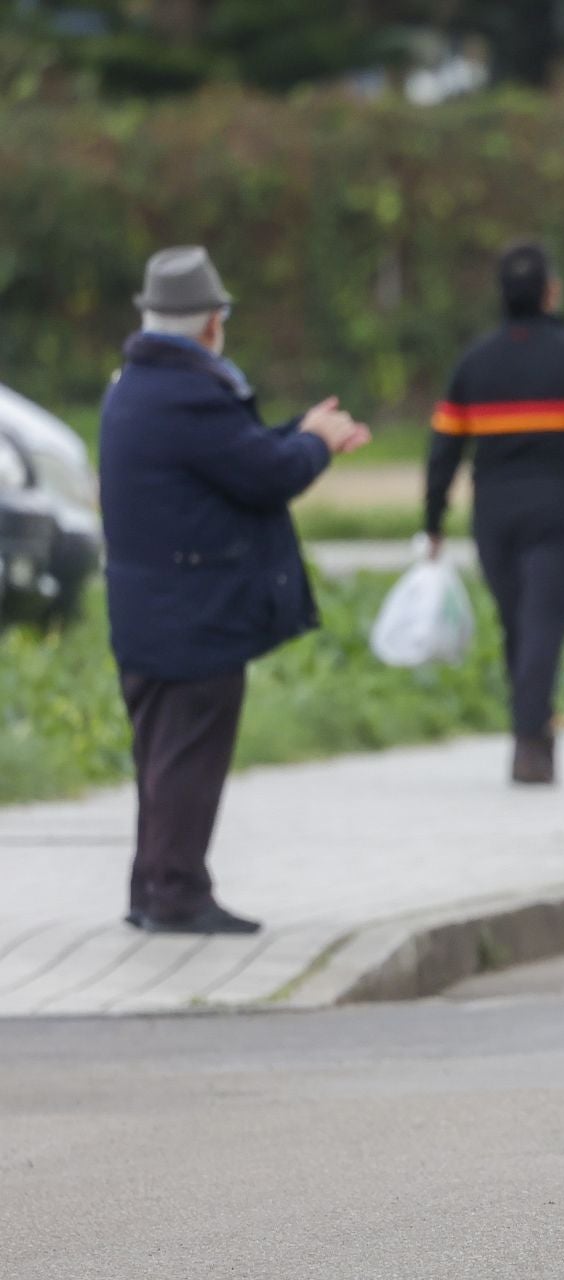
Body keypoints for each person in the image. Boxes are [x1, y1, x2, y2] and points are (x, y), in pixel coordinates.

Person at [99, 245, 370, 934]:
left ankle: (152, 886)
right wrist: (317, 445)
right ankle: (177, 894)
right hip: (197, 615)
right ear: (213, 322)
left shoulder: (134, 386)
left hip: (146, 612)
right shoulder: (191, 394)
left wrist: (301, 434)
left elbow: (237, 459)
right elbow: (266, 475)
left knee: (160, 761)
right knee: (188, 763)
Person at [425, 241, 564, 786]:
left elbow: (443, 449)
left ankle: (531, 730)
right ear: (549, 292)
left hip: (493, 516)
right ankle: (530, 739)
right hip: (557, 510)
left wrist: (433, 521)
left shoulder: (474, 363)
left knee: (517, 623)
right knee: (543, 624)